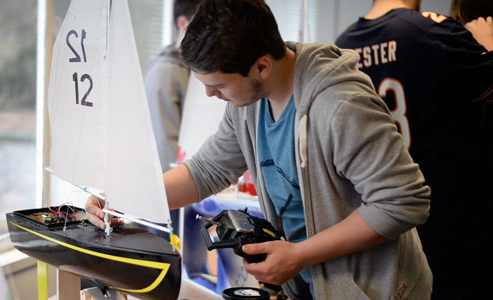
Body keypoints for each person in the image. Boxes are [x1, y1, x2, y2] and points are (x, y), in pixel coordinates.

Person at [88, 0, 433, 299]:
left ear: (262, 66)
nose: (210, 95)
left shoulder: (340, 106)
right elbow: (207, 171)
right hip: (312, 284)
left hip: (373, 290)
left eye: (218, 85)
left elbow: (403, 202)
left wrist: (299, 255)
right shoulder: (248, 104)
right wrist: (128, 198)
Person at [335, 1, 493, 299]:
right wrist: (486, 46)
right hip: (450, 224)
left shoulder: (341, 47)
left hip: (381, 228)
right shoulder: (433, 30)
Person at [145, 0, 200, 173]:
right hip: (179, 188)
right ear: (183, 23)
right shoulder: (165, 74)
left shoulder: (197, 69)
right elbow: (165, 149)